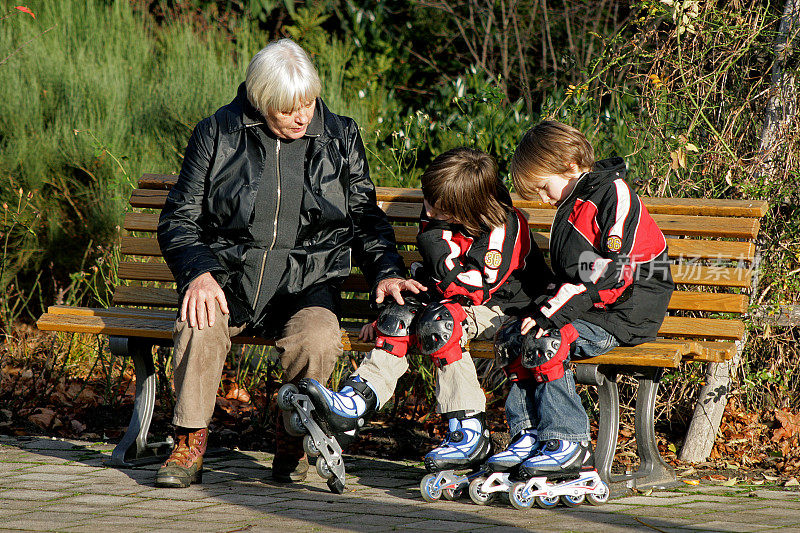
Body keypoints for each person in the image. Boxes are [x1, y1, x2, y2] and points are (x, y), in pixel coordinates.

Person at [155, 38, 421, 488]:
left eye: (309, 103)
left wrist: (387, 270)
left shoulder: (340, 135)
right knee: (198, 321)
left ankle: (293, 437)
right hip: (230, 277)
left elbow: (365, 217)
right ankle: (189, 440)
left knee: (317, 336)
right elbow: (179, 218)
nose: (302, 116)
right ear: (260, 101)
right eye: (287, 108)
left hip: (306, 281)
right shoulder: (218, 132)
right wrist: (198, 273)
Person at [297, 147, 553, 473]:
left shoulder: (504, 227)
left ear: (464, 207)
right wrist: (390, 310)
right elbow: (432, 277)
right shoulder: (438, 211)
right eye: (428, 200)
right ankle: (355, 403)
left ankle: (468, 430)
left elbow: (472, 287)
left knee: (439, 324)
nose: (428, 211)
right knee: (399, 317)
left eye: (438, 206)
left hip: (508, 309)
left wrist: (431, 248)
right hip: (457, 301)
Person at [485, 120, 674, 478]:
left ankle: (567, 441)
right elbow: (570, 277)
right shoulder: (575, 200)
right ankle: (528, 435)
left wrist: (553, 315)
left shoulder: (614, 194)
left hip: (623, 313)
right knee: (513, 336)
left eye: (543, 187)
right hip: (590, 308)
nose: (543, 199)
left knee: (549, 340)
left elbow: (614, 271)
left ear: (570, 165)